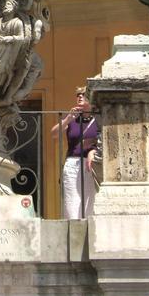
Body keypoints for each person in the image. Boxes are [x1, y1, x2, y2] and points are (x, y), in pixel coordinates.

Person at [51, 87, 99, 219]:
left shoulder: (98, 119)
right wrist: (68, 119)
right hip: (72, 163)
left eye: (84, 94)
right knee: (71, 202)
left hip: (90, 164)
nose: (80, 97)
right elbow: (54, 134)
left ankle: (88, 235)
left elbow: (103, 140)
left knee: (89, 203)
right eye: (78, 95)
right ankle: (74, 233)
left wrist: (93, 150)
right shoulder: (73, 119)